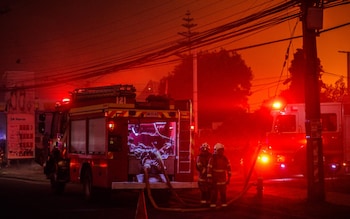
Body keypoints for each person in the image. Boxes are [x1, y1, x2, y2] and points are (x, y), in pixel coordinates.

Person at [207, 143, 231, 208]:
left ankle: (224, 205)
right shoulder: (213, 158)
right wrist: (209, 178)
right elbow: (209, 168)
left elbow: (228, 168)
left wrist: (229, 178)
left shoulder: (225, 158)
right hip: (215, 179)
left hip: (222, 178)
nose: (221, 151)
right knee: (214, 193)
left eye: (222, 150)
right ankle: (213, 205)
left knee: (223, 193)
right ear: (216, 150)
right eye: (220, 150)